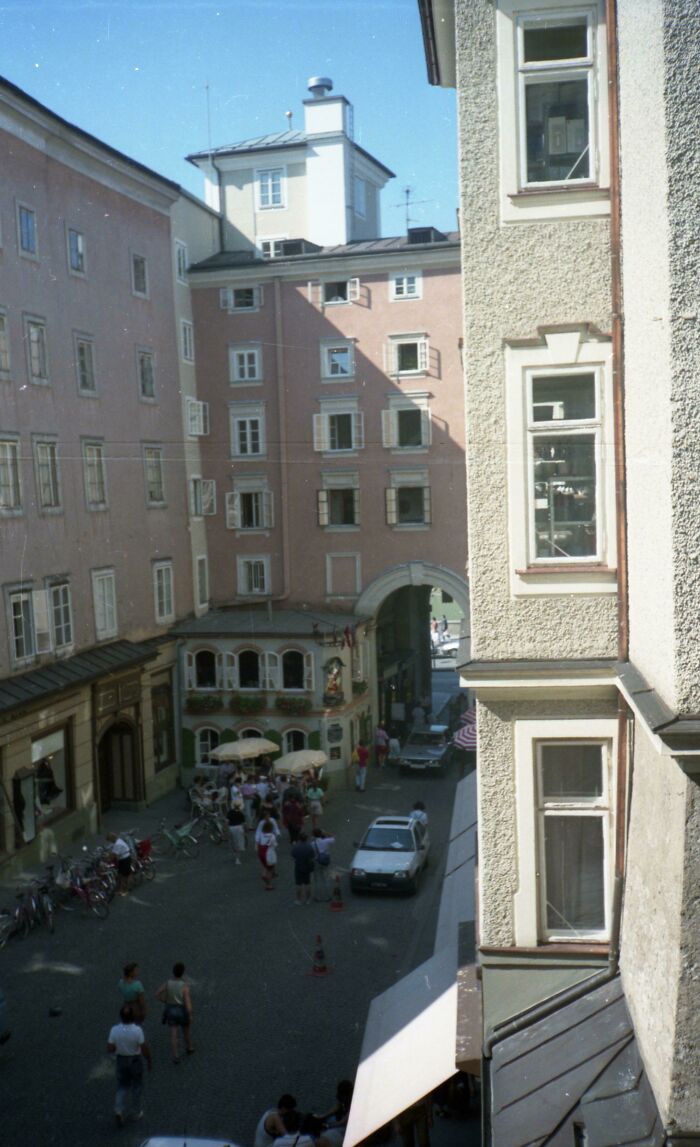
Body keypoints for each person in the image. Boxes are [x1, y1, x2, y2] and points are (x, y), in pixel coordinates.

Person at [107, 1004, 152, 1127]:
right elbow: (143, 1048)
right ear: (133, 1017)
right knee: (137, 1086)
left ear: (121, 1016)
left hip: (121, 1060)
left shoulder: (114, 1030)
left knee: (122, 1085)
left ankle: (118, 1110)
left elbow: (110, 1048)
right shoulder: (137, 1030)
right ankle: (136, 1111)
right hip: (135, 1061)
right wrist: (149, 1061)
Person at [155, 962, 193, 1063]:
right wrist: (190, 1014)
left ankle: (176, 1055)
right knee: (186, 1031)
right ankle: (189, 1047)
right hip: (182, 1010)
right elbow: (188, 1003)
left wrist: (165, 1000)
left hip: (170, 1010)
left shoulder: (167, 983)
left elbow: (157, 994)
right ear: (182, 973)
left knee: (173, 1033)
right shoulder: (184, 986)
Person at [291, 831, 315, 905]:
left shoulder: (296, 847)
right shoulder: (309, 847)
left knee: (298, 884)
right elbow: (312, 857)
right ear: (306, 839)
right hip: (307, 866)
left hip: (298, 866)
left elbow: (293, 856)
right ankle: (308, 899)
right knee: (307, 883)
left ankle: (299, 900)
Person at [312, 828, 335, 902]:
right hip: (325, 860)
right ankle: (328, 896)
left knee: (316, 880)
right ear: (321, 834)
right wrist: (325, 832)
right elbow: (333, 837)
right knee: (325, 878)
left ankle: (317, 896)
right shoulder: (326, 841)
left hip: (316, 861)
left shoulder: (312, 844)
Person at [256, 817, 279, 889]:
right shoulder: (272, 836)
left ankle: (264, 875)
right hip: (268, 853)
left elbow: (259, 842)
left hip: (261, 853)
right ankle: (269, 885)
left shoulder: (261, 835)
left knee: (265, 866)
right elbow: (274, 845)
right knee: (269, 869)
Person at [107, 831, 132, 897]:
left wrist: (107, 860)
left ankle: (126, 891)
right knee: (120, 875)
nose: (110, 842)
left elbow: (114, 855)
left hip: (125, 859)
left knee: (124, 876)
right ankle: (121, 890)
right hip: (124, 858)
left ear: (112, 839)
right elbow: (113, 851)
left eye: (109, 840)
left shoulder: (117, 844)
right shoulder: (118, 840)